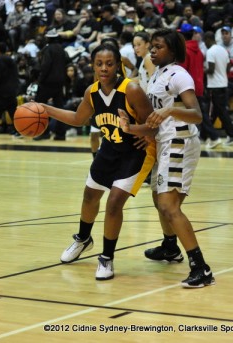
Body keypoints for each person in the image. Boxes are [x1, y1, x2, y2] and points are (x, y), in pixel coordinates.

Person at [53, 43, 156, 281]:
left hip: (134, 153)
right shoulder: (92, 91)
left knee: (114, 203)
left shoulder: (131, 89)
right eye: (99, 63)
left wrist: (143, 132)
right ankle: (82, 239)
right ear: (92, 66)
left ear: (118, 64)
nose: (104, 68)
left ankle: (107, 257)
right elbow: (78, 119)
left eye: (109, 63)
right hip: (108, 149)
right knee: (90, 196)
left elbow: (154, 123)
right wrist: (45, 109)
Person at [127, 28, 215, 288]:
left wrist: (168, 111)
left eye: (158, 47)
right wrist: (132, 128)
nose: (152, 51)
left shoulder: (179, 75)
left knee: (169, 205)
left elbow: (196, 113)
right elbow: (155, 119)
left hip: (180, 142)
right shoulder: (156, 76)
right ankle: (169, 246)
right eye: (151, 47)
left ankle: (201, 267)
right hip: (165, 142)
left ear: (173, 51)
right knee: (157, 198)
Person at [203, 31, 233, 146]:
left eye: (205, 42)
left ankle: (232, 135)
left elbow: (211, 69)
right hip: (224, 84)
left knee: (221, 112)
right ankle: (205, 135)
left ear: (208, 40)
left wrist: (202, 71)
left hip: (215, 86)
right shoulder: (223, 50)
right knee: (216, 112)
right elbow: (229, 67)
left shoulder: (210, 51)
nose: (205, 44)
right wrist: (222, 75)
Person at [33, 29, 70, 141]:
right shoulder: (62, 49)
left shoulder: (47, 49)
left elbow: (46, 65)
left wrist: (40, 79)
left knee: (40, 107)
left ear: (48, 38)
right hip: (59, 82)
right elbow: (68, 61)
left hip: (47, 82)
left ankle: (44, 132)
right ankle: (60, 134)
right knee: (59, 109)